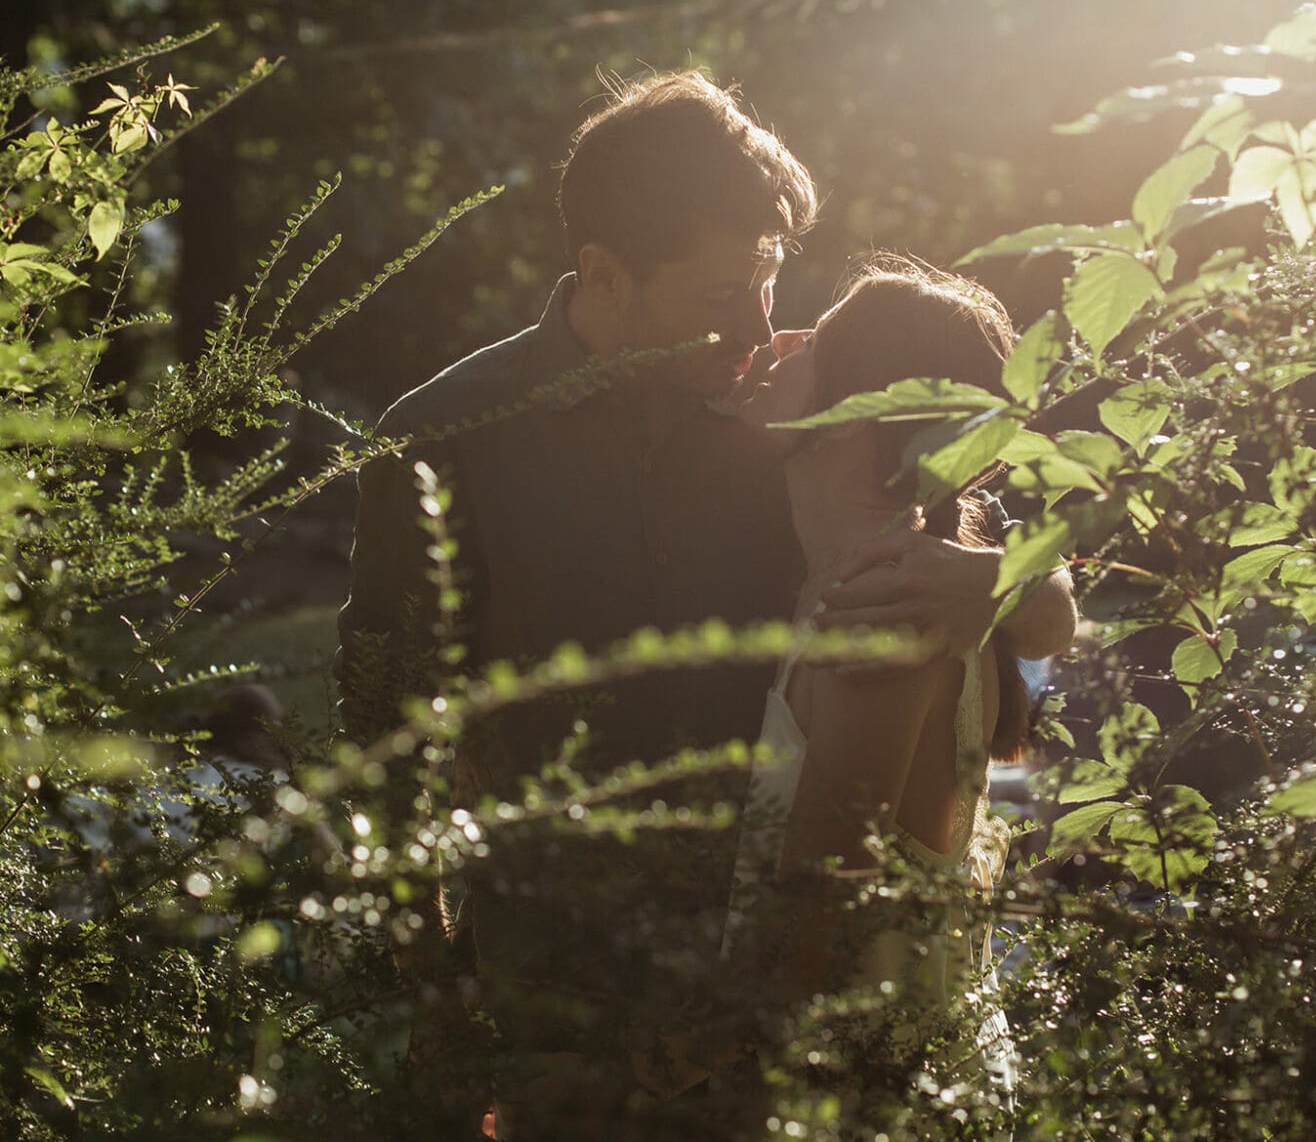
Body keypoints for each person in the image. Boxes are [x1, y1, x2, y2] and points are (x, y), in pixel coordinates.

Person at [336, 71, 1073, 1136]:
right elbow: (383, 735)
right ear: (605, 274)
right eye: (720, 295)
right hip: (558, 993)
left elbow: (1031, 591)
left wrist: (993, 580)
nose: (759, 321)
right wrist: (437, 1001)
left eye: (769, 278)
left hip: (782, 989)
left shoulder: (805, 408)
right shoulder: (444, 435)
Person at [723, 257, 1032, 1115]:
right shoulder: (873, 580)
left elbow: (827, 890)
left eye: (814, 343)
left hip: (870, 1098)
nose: (778, 344)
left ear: (854, 419)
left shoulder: (881, 616)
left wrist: (702, 1047)